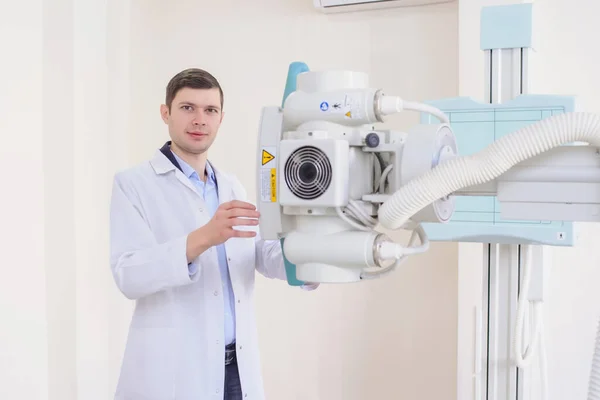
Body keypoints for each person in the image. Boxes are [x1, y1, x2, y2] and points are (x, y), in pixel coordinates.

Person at [109, 68, 317, 400]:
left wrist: (313, 255)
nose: (199, 120)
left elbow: (262, 253)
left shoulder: (232, 185)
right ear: (166, 113)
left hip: (236, 370)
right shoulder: (134, 184)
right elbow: (128, 274)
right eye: (187, 108)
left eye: (210, 110)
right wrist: (204, 236)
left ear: (221, 119)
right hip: (176, 372)